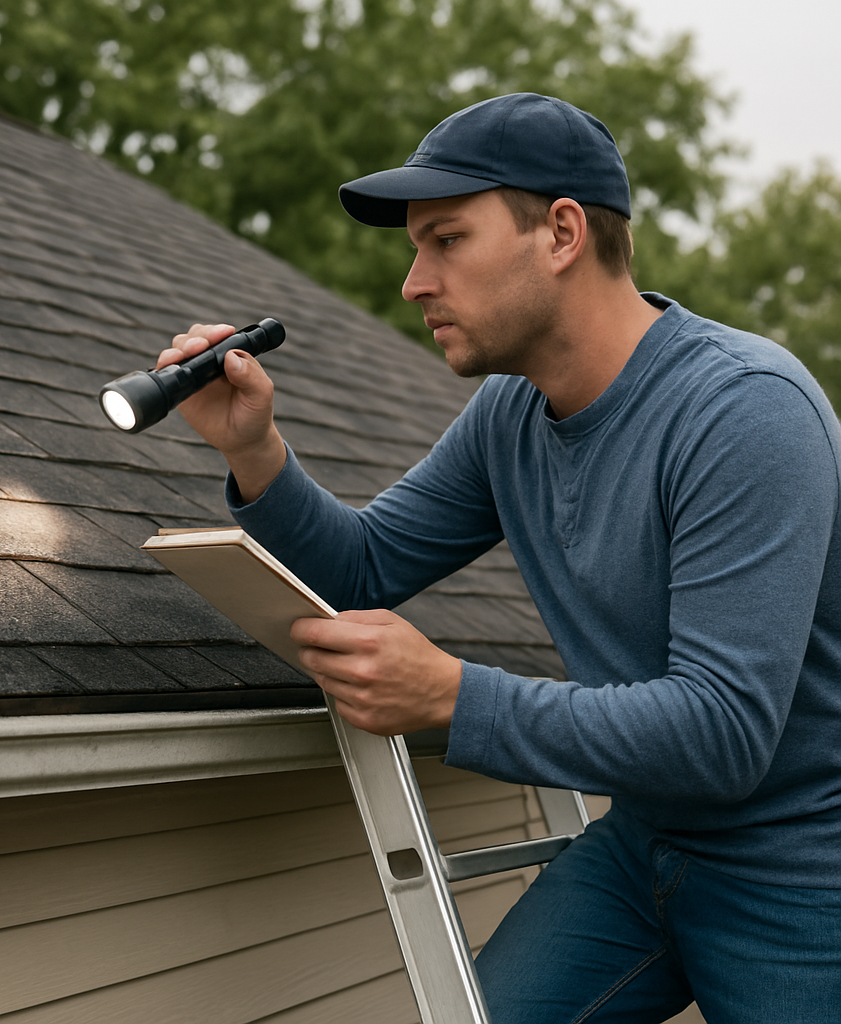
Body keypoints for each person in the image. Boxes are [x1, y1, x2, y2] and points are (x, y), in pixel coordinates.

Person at [157, 93, 841, 1022]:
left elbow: (722, 733)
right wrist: (254, 450)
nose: (413, 281)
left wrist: (451, 696)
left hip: (804, 863)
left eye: (446, 240)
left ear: (560, 232)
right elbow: (360, 569)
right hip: (646, 842)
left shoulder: (745, 411)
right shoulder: (510, 416)